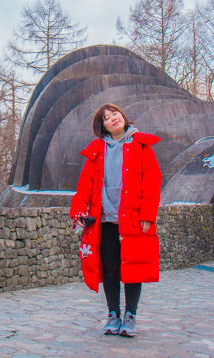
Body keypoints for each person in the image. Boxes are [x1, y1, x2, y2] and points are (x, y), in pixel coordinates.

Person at [69, 103, 161, 338]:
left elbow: (152, 181)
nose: (113, 119)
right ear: (103, 127)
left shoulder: (141, 145)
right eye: (107, 118)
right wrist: (78, 212)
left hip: (133, 220)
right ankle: (113, 314)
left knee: (134, 268)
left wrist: (148, 215)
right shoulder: (96, 150)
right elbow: (85, 184)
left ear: (123, 116)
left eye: (115, 114)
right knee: (109, 269)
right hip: (105, 221)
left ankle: (130, 316)